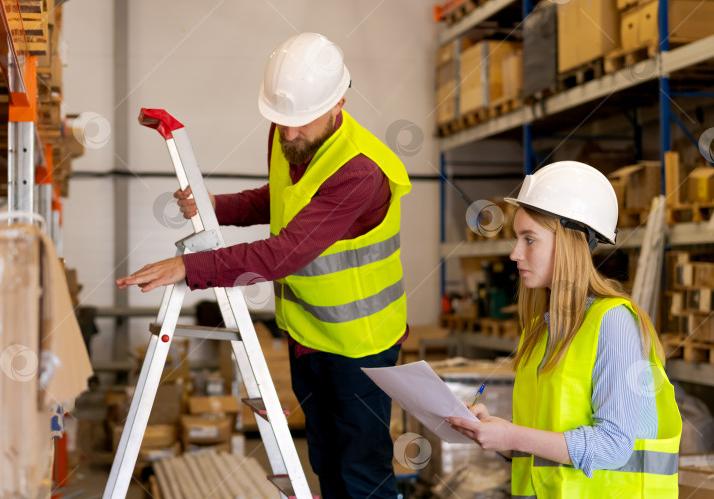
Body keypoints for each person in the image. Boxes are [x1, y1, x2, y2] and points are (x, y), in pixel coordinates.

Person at [117, 32, 411, 498]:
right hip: (308, 335)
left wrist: (189, 267)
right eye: (281, 119)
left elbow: (283, 252)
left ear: (339, 101)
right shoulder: (287, 131)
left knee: (361, 470)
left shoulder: (360, 171)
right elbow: (281, 201)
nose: (289, 133)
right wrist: (219, 205)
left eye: (300, 121)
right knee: (326, 463)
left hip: (361, 346)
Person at [447, 161, 682, 497]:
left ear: (571, 244)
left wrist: (512, 435)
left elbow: (614, 446)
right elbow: (548, 442)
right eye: (517, 238)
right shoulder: (543, 328)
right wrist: (495, 432)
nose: (515, 253)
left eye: (530, 239)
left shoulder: (613, 323)